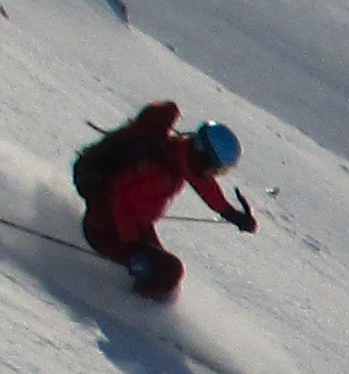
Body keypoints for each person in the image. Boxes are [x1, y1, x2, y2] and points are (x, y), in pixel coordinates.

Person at [69, 100, 256, 302]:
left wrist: (230, 213)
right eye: (215, 169)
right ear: (202, 157)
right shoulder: (160, 172)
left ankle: (140, 296)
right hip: (105, 230)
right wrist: (133, 248)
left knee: (164, 274)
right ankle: (127, 306)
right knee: (168, 272)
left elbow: (203, 184)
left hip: (135, 228)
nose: (214, 175)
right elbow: (121, 204)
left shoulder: (179, 153)